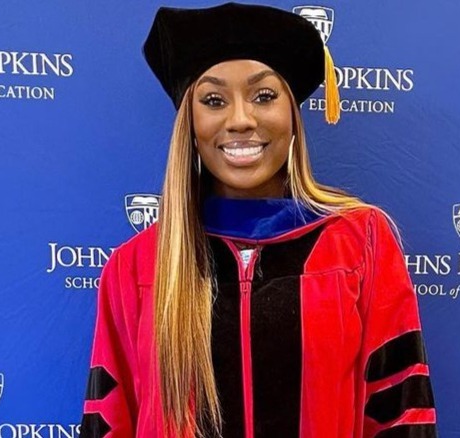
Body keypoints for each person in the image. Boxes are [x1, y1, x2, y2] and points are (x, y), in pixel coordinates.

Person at [81, 3, 436, 437]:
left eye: (264, 96)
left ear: (292, 115)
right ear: (190, 124)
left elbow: (399, 414)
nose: (241, 120)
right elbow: (110, 422)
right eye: (213, 100)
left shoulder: (360, 244)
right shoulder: (136, 268)